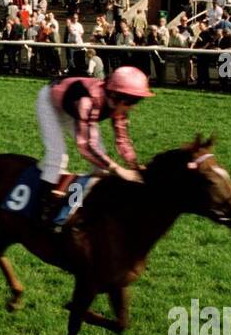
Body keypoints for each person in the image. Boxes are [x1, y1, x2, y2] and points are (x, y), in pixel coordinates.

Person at [35, 66, 151, 226]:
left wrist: (134, 165)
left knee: (101, 163)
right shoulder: (88, 101)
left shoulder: (119, 104)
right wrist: (118, 169)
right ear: (118, 96)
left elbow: (122, 139)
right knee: (58, 155)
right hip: (50, 103)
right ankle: (43, 207)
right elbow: (85, 147)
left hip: (74, 108)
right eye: (134, 101)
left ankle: (91, 207)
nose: (135, 106)